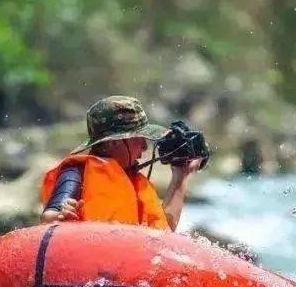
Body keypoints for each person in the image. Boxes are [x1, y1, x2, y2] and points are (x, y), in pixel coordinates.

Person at [39, 96, 201, 230]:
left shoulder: (134, 181)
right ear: (113, 142)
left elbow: (164, 234)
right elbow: (51, 215)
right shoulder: (76, 172)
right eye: (138, 139)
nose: (145, 147)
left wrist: (180, 179)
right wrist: (61, 214)